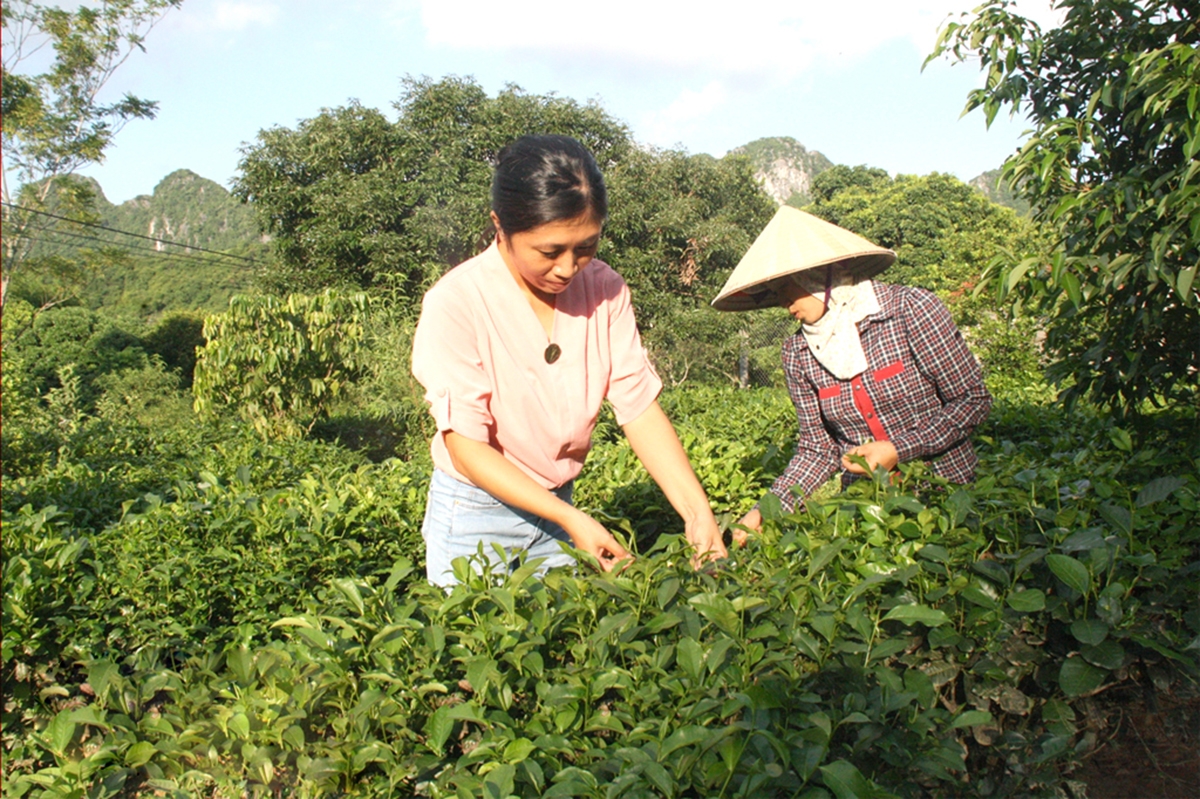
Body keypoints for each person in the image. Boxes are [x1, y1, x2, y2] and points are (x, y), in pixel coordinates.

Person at [411, 134, 726, 586]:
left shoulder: (605, 289)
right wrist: (571, 519)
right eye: (549, 251)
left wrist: (698, 515)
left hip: (560, 503)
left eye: (586, 247)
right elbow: (466, 447)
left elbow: (638, 407)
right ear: (501, 226)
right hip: (477, 516)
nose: (567, 268)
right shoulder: (457, 302)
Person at [710, 206, 992, 536]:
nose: (787, 308)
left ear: (820, 277)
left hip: (949, 500)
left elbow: (972, 401)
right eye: (778, 298)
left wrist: (899, 449)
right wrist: (760, 516)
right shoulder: (798, 353)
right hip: (867, 514)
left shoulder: (909, 311)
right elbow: (818, 450)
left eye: (789, 292)